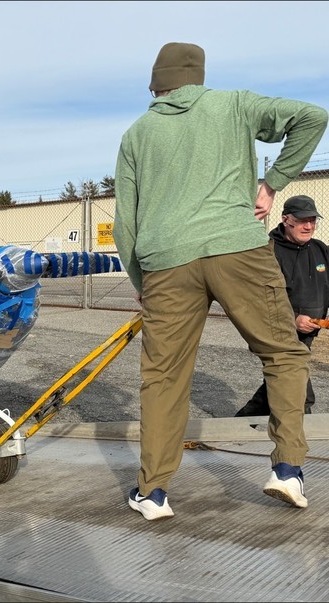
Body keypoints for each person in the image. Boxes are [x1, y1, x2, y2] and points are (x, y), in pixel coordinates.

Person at [114, 42, 328, 520]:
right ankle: (288, 469)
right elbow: (313, 116)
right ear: (199, 77)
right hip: (237, 248)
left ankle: (152, 493)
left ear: (157, 84)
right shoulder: (234, 104)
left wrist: (140, 278)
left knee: (164, 378)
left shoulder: (137, 134)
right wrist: (273, 182)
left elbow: (125, 221)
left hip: (166, 263)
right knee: (283, 353)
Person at [236, 195, 329, 417]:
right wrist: (294, 318)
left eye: (313, 220)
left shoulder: (320, 249)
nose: (308, 226)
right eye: (302, 220)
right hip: (276, 331)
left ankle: (241, 424)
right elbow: (258, 298)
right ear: (286, 219)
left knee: (278, 384)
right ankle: (299, 445)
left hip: (307, 333)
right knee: (299, 391)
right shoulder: (267, 252)